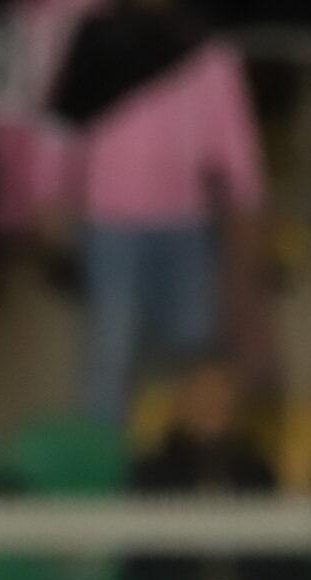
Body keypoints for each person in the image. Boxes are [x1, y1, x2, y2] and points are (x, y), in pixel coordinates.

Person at [42, 0, 266, 430]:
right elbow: (63, 126)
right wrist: (53, 196)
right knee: (111, 353)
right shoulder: (94, 41)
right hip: (110, 227)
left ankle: (175, 466)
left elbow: (234, 141)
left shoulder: (206, 50)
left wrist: (249, 208)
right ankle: (107, 476)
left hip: (187, 228)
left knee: (190, 353)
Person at [123, 358, 296, 580]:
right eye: (202, 398)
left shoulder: (258, 475)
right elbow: (143, 567)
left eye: (221, 399)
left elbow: (277, 561)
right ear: (180, 405)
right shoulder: (152, 475)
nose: (212, 407)